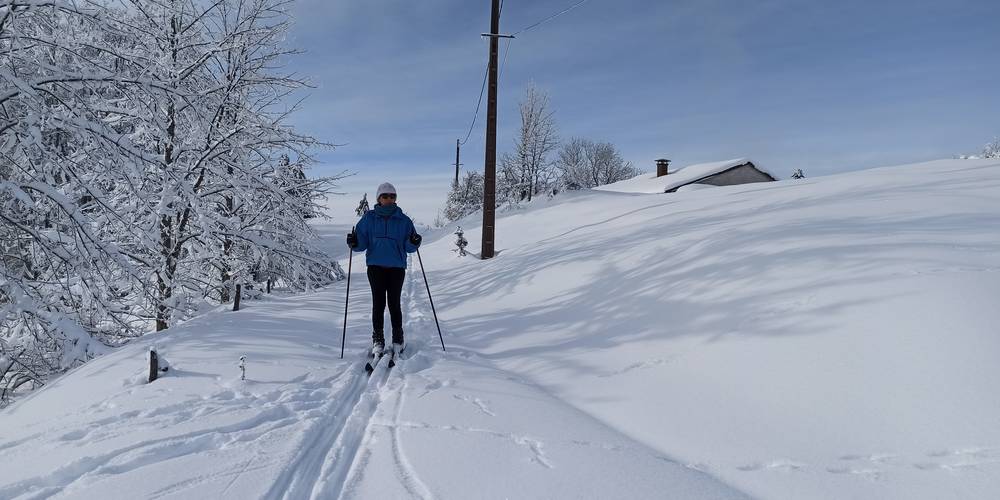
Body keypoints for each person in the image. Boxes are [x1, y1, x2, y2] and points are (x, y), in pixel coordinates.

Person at [346, 182, 422, 357]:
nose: (389, 199)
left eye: (392, 196)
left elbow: (409, 247)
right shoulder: (368, 219)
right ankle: (378, 340)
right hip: (375, 268)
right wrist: (353, 242)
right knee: (378, 303)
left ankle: (398, 338)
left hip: (396, 268)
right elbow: (361, 245)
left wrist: (414, 242)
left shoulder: (404, 220)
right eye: (385, 196)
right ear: (379, 198)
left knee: (394, 303)